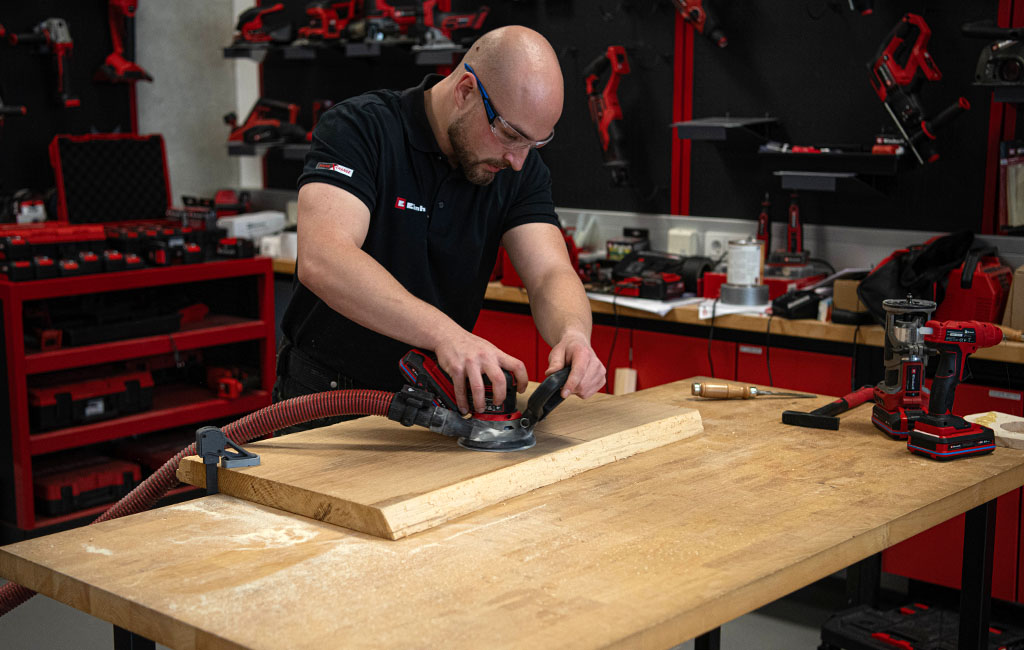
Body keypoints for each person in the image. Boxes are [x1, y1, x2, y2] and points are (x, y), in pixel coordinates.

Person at [275, 25, 606, 430]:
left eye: (534, 144)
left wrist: (574, 335)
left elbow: (549, 272)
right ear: (466, 90)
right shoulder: (360, 129)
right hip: (325, 402)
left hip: (429, 407)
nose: (517, 160)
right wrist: (447, 335)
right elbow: (324, 258)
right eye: (510, 135)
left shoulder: (516, 168)